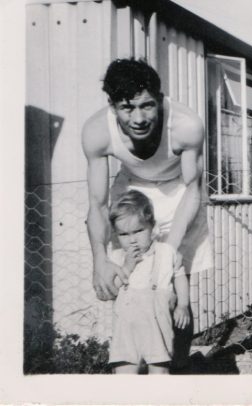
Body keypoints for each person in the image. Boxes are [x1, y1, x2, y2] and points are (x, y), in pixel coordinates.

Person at [82, 58, 210, 303]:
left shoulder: (186, 125)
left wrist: (169, 250)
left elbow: (193, 189)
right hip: (131, 188)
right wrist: (99, 259)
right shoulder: (96, 132)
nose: (139, 119)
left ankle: (178, 341)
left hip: (179, 190)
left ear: (160, 100)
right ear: (112, 106)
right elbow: (97, 204)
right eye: (127, 108)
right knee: (130, 287)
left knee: (172, 289)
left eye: (147, 106)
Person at [107, 190, 190, 374]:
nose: (132, 240)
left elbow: (179, 275)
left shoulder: (165, 253)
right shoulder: (116, 258)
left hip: (157, 327)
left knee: (159, 372)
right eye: (124, 234)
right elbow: (111, 291)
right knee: (124, 375)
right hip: (126, 330)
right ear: (116, 234)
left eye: (138, 231)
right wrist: (126, 268)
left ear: (152, 226)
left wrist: (182, 305)